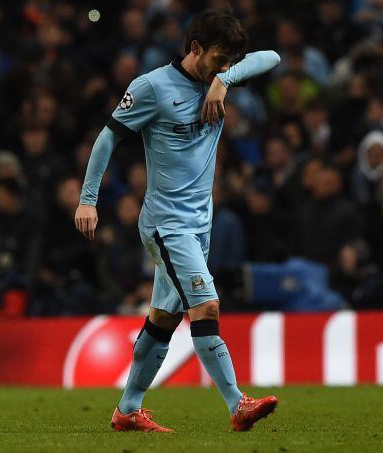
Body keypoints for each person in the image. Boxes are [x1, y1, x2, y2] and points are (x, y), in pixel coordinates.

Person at [75, 9, 280, 433]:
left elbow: (273, 57)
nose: (222, 69)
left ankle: (128, 409)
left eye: (228, 63)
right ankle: (237, 404)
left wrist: (224, 80)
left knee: (163, 319)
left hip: (198, 224)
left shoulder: (219, 79)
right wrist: (88, 200)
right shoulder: (151, 87)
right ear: (195, 49)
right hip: (166, 225)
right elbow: (108, 136)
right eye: (218, 61)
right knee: (206, 305)